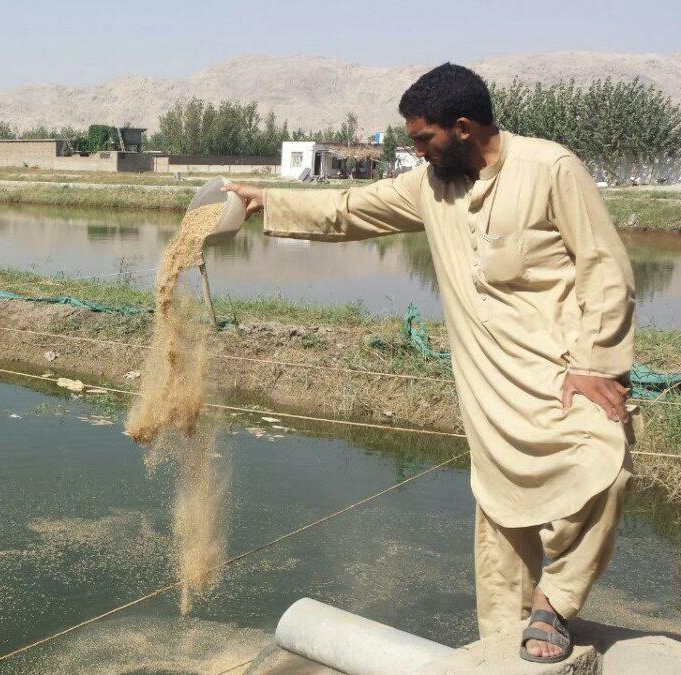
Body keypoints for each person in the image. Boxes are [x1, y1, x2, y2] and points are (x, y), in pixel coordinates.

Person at [224, 63, 636, 664]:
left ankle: (555, 601)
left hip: (560, 373)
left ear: (463, 127)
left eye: (423, 138)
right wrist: (267, 202)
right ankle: (505, 639)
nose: (416, 151)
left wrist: (596, 362)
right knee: (500, 515)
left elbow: (605, 267)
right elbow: (348, 209)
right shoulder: (430, 186)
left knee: (607, 465)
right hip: (487, 385)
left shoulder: (549, 168)